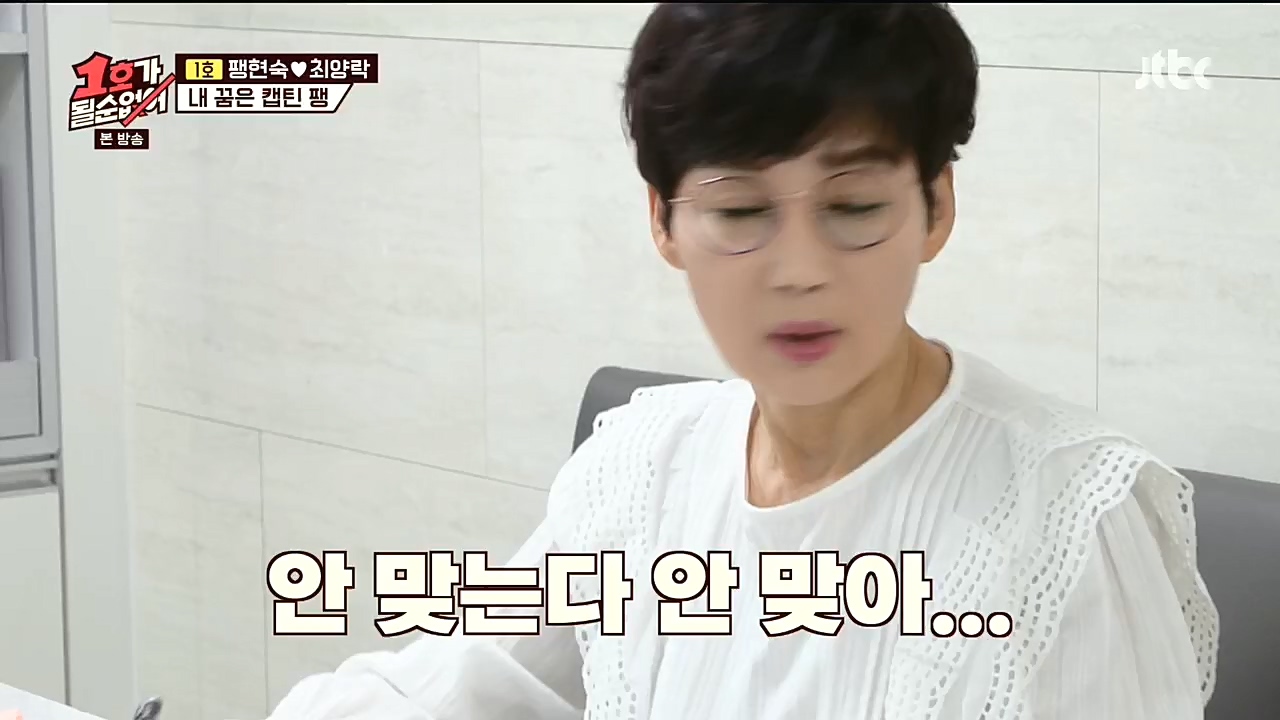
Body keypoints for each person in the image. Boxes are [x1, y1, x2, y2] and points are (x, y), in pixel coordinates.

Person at [264, 4, 1219, 718]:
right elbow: (466, 683)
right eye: (740, 211)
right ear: (664, 222)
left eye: (853, 208)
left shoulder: (1066, 523)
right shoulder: (640, 470)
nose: (798, 270)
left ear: (936, 208)